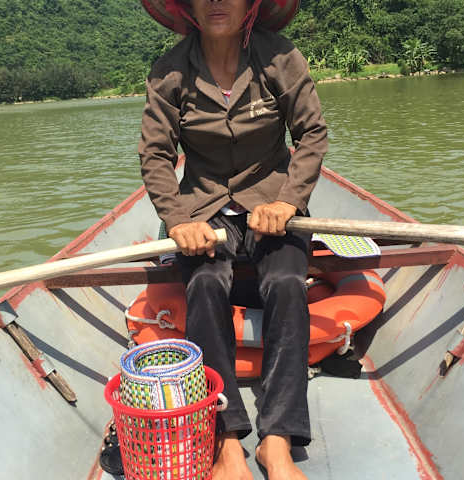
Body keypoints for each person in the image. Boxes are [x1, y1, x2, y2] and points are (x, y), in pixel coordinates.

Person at [138, 0, 328, 478]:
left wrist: (288, 202)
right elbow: (156, 155)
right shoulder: (169, 71)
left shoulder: (280, 57)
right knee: (205, 285)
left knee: (286, 284)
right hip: (202, 213)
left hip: (273, 208)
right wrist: (178, 220)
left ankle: (278, 440)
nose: (216, 1)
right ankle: (225, 439)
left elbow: (311, 135)